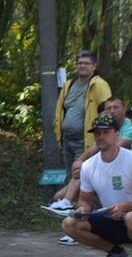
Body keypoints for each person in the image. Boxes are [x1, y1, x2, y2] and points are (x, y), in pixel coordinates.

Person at [59, 114, 132, 257]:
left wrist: (124, 207)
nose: (101, 136)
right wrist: (82, 210)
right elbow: (84, 201)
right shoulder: (88, 166)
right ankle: (115, 253)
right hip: (110, 218)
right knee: (69, 223)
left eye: (106, 132)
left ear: (116, 134)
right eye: (97, 133)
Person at [47, 50, 111, 213]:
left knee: (80, 178)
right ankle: (72, 217)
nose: (82, 66)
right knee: (73, 180)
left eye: (86, 63)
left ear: (94, 66)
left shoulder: (98, 84)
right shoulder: (69, 84)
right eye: (80, 63)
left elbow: (107, 110)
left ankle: (82, 214)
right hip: (67, 140)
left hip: (86, 140)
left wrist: (102, 136)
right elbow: (61, 109)